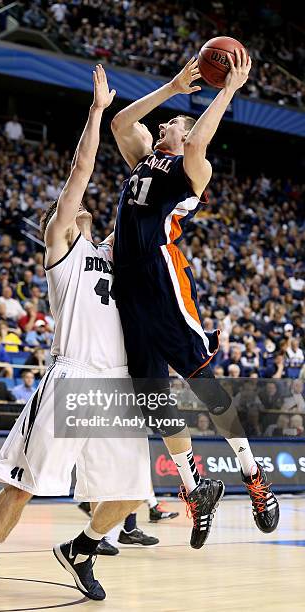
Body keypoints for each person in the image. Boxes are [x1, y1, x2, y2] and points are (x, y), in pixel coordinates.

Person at [0, 65, 151, 611]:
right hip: (74, 375)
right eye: (68, 210)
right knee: (23, 483)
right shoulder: (64, 251)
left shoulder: (113, 252)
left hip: (117, 385)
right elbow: (82, 171)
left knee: (131, 493)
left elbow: (148, 211)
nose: (80, 207)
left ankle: (82, 548)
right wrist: (96, 115)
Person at [111, 51, 279, 548]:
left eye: (174, 124)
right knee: (151, 395)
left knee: (201, 378)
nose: (164, 124)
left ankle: (253, 474)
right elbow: (122, 121)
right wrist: (172, 88)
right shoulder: (144, 157)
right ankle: (192, 486)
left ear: (185, 136)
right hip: (128, 286)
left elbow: (201, 138)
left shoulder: (193, 169)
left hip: (162, 277)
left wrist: (227, 88)